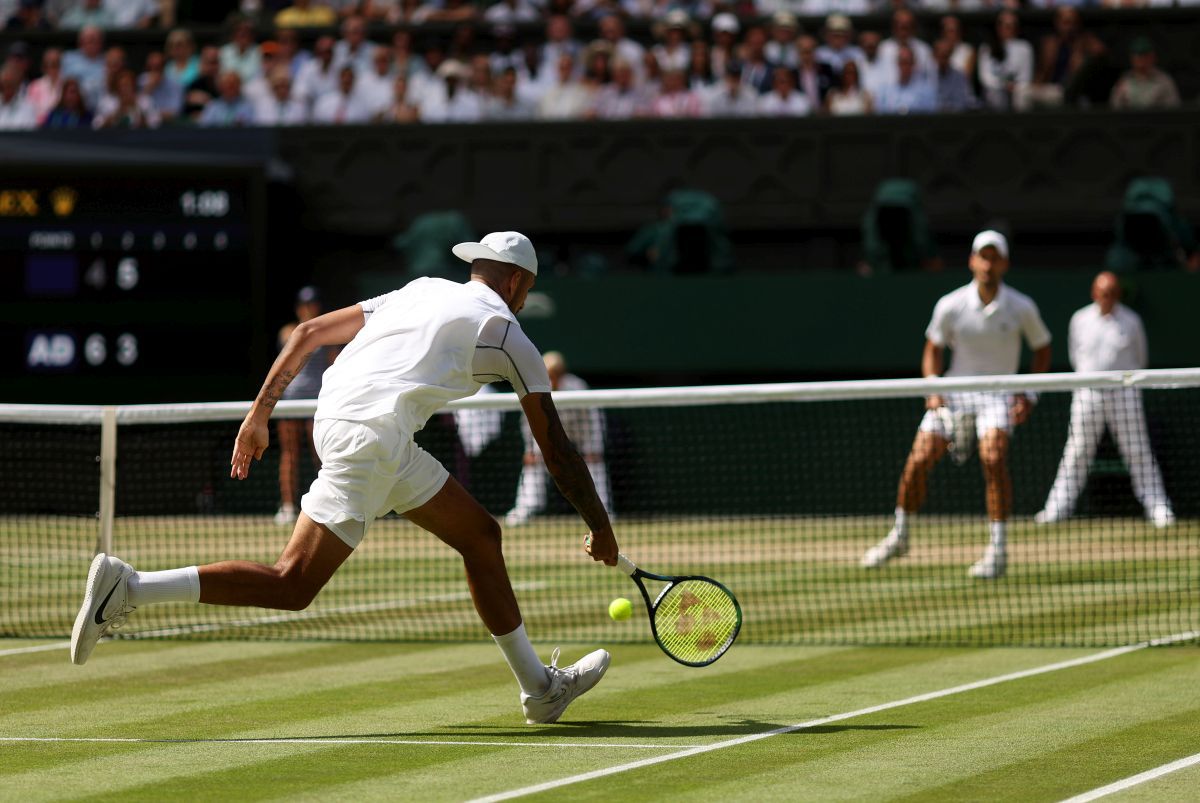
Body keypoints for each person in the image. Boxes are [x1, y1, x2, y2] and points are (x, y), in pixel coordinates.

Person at [70, 231, 619, 727]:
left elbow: (309, 332)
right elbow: (558, 452)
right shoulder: (510, 337)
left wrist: (258, 414)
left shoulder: (422, 289)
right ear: (517, 281)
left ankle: (539, 690)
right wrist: (600, 526)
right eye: (526, 290)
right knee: (292, 584)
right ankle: (132, 587)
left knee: (480, 536)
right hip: (371, 439)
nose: (523, 300)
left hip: (343, 423)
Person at [862, 230, 1052, 579]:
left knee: (993, 457)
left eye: (994, 258)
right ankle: (900, 535)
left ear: (1004, 264)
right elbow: (932, 349)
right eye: (983, 257)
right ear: (972, 261)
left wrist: (1029, 394)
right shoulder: (950, 305)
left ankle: (997, 550)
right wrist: (933, 388)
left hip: (998, 394)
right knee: (918, 461)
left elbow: (1042, 349)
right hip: (954, 392)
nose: (988, 264)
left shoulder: (1022, 307)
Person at [1035, 272, 1174, 528]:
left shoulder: (1132, 321)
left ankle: (1158, 506)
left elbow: (1140, 358)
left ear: (1118, 294)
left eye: (1111, 293)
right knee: (1077, 451)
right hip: (1088, 395)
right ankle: (1057, 508)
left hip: (1124, 395)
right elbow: (1076, 356)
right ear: (1094, 293)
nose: (1107, 297)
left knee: (1138, 450)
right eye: (1103, 292)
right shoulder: (1079, 320)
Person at [506, 351, 613, 526]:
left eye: (554, 375)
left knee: (594, 464)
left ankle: (604, 511)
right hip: (549, 433)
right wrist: (529, 450)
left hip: (581, 435)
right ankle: (524, 509)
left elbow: (593, 420)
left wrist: (594, 449)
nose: (551, 379)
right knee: (533, 464)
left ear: (561, 374)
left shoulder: (578, 388)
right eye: (547, 374)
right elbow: (528, 422)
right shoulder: (534, 387)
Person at [274, 287, 333, 526]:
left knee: (321, 454)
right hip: (290, 403)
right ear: (299, 308)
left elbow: (333, 363)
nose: (309, 308)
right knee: (289, 454)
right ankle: (288, 506)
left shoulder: (327, 332)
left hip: (316, 403)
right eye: (305, 304)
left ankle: (328, 504)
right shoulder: (288, 332)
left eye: (313, 303)